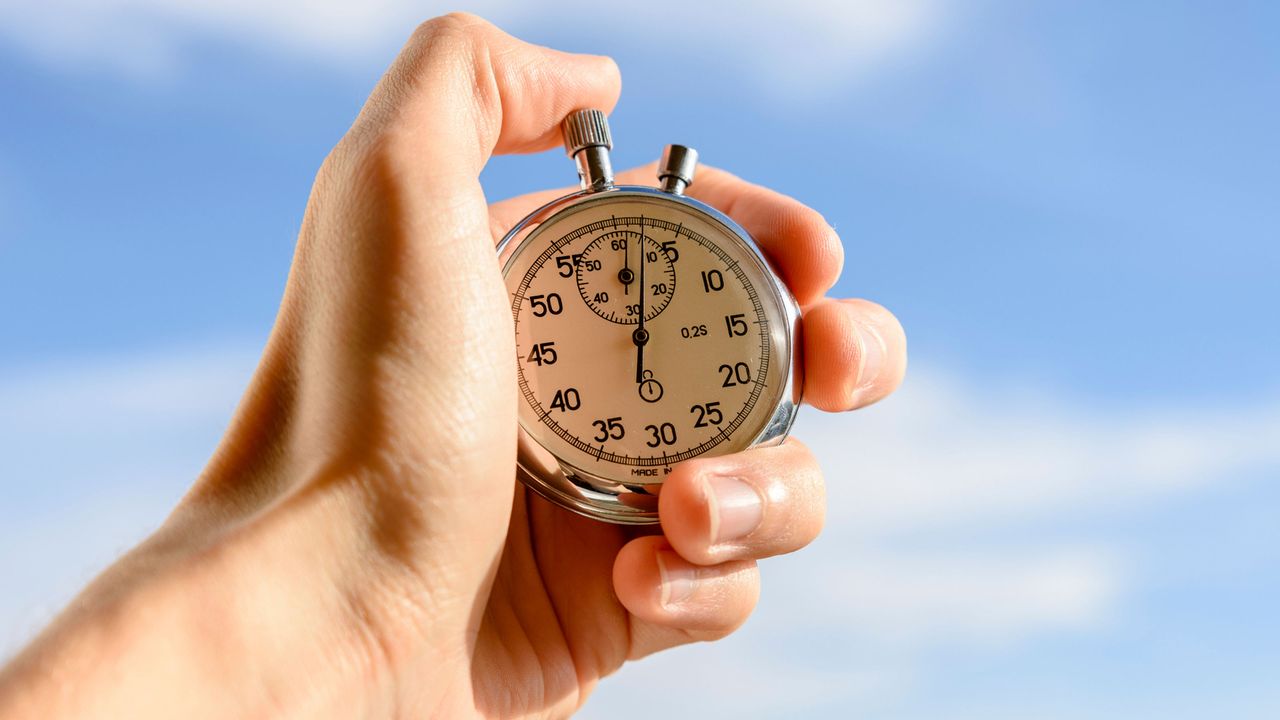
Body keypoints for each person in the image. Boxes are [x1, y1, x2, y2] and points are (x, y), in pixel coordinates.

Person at [0, 13, 906, 719]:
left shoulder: (702, 290)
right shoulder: (505, 268)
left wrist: (379, 638)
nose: (639, 334)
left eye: (658, 312)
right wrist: (369, 598)